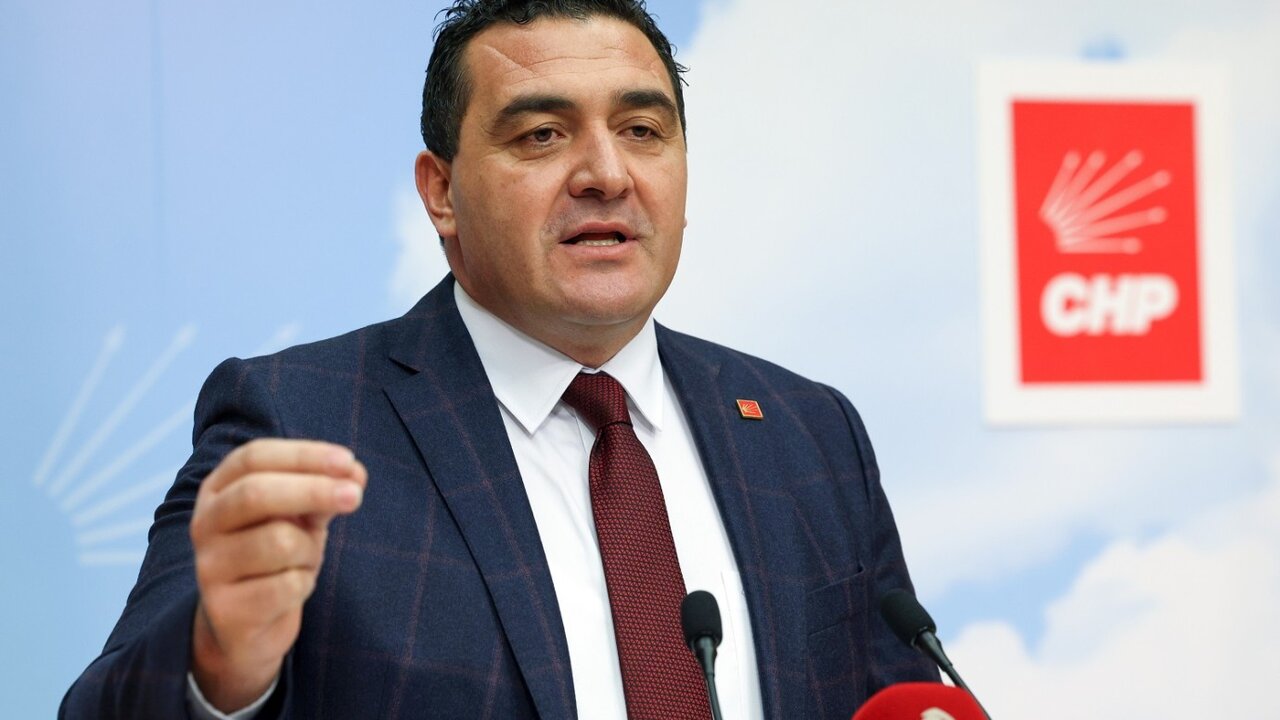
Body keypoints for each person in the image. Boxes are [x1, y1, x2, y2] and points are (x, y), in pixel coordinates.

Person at [61, 1, 938, 718]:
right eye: (542, 136)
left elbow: (903, 700)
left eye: (642, 129)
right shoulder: (300, 420)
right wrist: (219, 664)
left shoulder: (808, 433)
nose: (607, 173)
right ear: (441, 192)